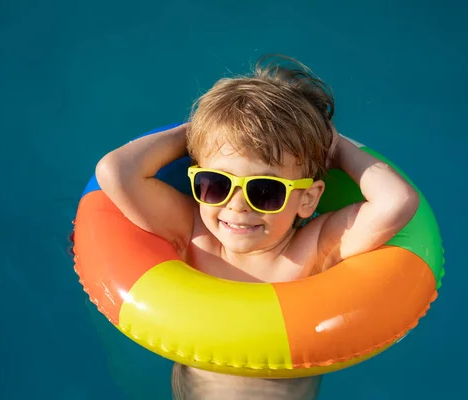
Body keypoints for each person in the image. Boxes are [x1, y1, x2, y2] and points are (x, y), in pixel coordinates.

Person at [95, 54, 420, 400]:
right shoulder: (193, 231)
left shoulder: (313, 248)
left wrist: (337, 150)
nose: (236, 205)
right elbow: (116, 173)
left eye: (265, 191)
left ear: (308, 199)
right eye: (215, 183)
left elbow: (396, 203)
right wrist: (194, 134)